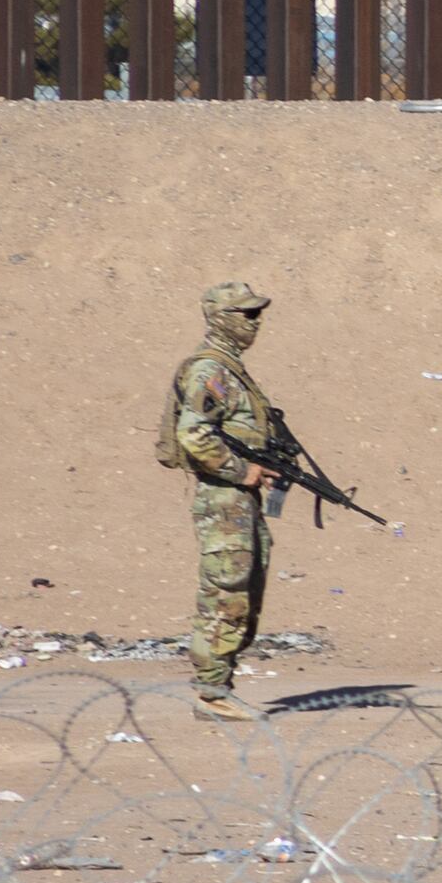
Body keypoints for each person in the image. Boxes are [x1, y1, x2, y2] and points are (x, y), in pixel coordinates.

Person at [162, 278, 289, 720]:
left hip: (240, 499)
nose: (257, 323)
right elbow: (193, 434)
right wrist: (242, 470)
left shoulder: (231, 369)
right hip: (223, 498)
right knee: (226, 591)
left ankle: (219, 687)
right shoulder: (210, 370)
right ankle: (211, 693)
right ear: (222, 318)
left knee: (247, 588)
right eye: (248, 314)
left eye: (258, 314)